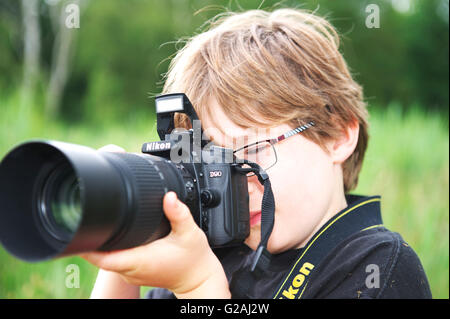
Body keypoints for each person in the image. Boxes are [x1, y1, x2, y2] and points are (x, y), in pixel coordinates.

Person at [81, 8, 432, 299]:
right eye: (211, 160)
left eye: (254, 150)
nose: (237, 183)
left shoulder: (377, 267)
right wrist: (126, 228)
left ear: (338, 136)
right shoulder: (211, 253)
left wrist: (199, 286)